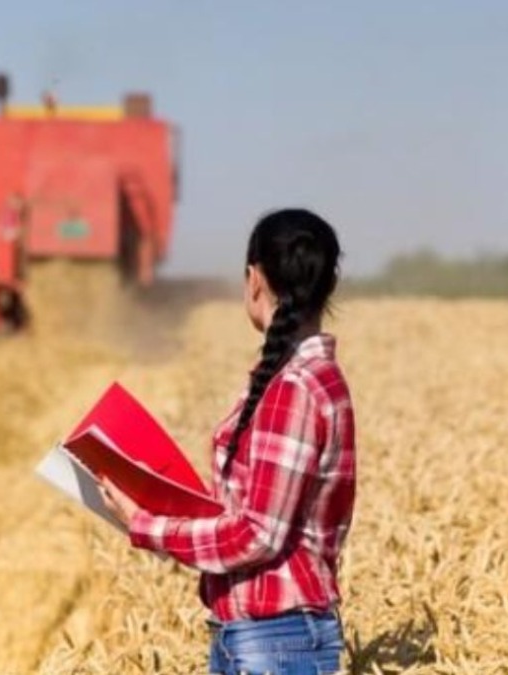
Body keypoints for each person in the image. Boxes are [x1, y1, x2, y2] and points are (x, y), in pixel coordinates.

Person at [100, 208, 356, 675]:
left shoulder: (293, 388)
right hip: (264, 638)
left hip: (275, 640)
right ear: (329, 284)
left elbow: (258, 535)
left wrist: (145, 525)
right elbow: (256, 514)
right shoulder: (308, 378)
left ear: (254, 279)